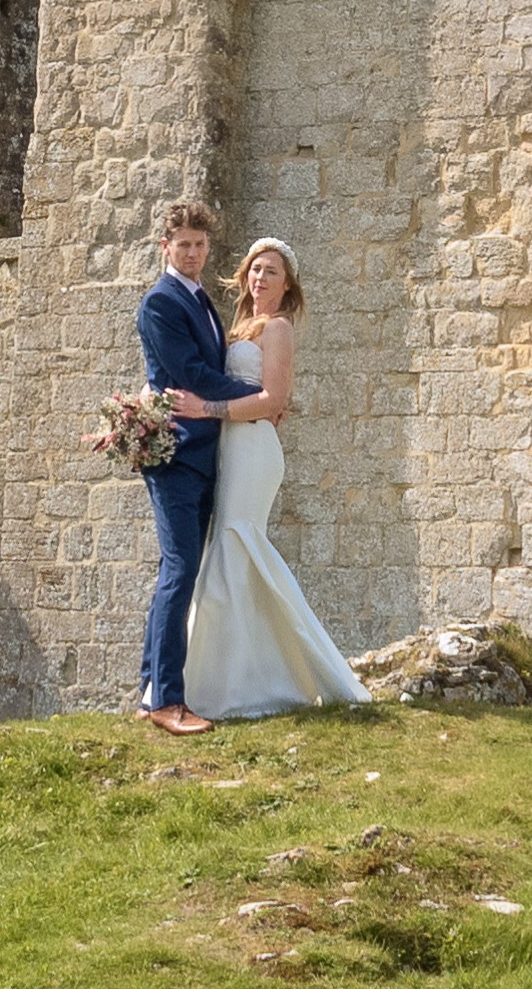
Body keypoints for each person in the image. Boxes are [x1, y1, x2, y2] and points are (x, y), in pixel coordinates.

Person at [182, 236, 370, 719]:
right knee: (225, 555)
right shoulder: (237, 327)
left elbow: (273, 400)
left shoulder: (279, 327)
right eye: (255, 269)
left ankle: (245, 685)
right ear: (244, 275)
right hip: (229, 445)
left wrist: (207, 409)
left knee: (236, 544)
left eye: (272, 271)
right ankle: (231, 678)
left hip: (253, 448)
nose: (260, 277)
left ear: (287, 286)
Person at [136, 201, 265, 737]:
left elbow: (206, 368)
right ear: (164, 247)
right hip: (175, 455)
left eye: (199, 244)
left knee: (179, 572)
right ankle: (167, 702)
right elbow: (191, 374)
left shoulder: (201, 299)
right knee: (179, 571)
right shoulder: (161, 303)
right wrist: (259, 396)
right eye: (183, 244)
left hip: (203, 453)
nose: (192, 253)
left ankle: (151, 694)